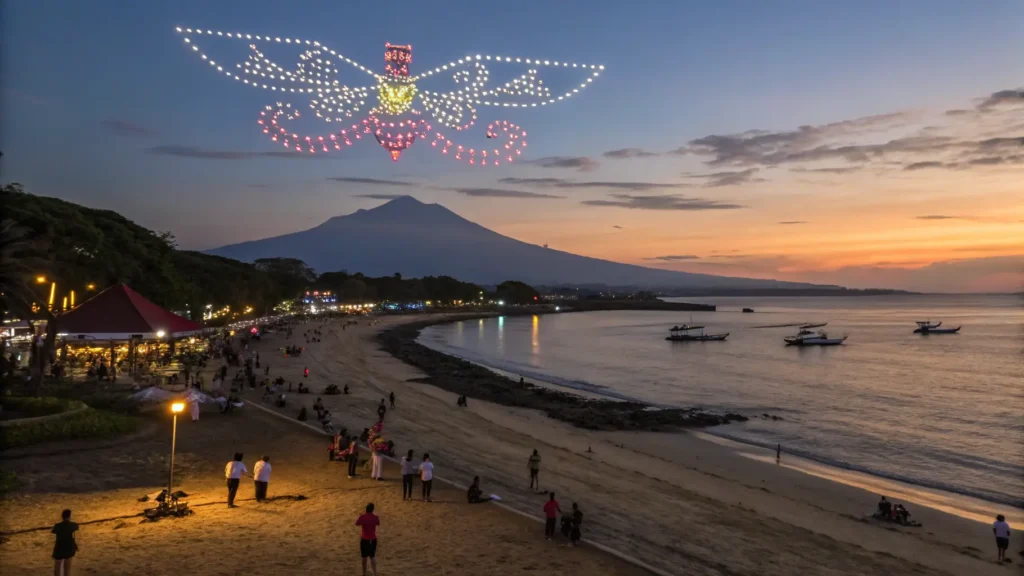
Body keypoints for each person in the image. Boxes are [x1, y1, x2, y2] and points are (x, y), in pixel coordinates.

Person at [355, 503, 380, 576]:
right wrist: (375, 516)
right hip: (373, 539)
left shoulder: (363, 517)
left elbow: (357, 523)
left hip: (365, 539)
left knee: (364, 557)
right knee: (372, 556)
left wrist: (359, 516)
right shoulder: (375, 517)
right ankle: (375, 573)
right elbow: (378, 523)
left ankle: (364, 573)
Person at [51, 508, 78, 576]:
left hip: (59, 548)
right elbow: (76, 527)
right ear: (69, 516)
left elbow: (53, 531)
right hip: (68, 548)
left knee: (57, 569)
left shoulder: (57, 526)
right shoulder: (73, 525)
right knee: (67, 570)